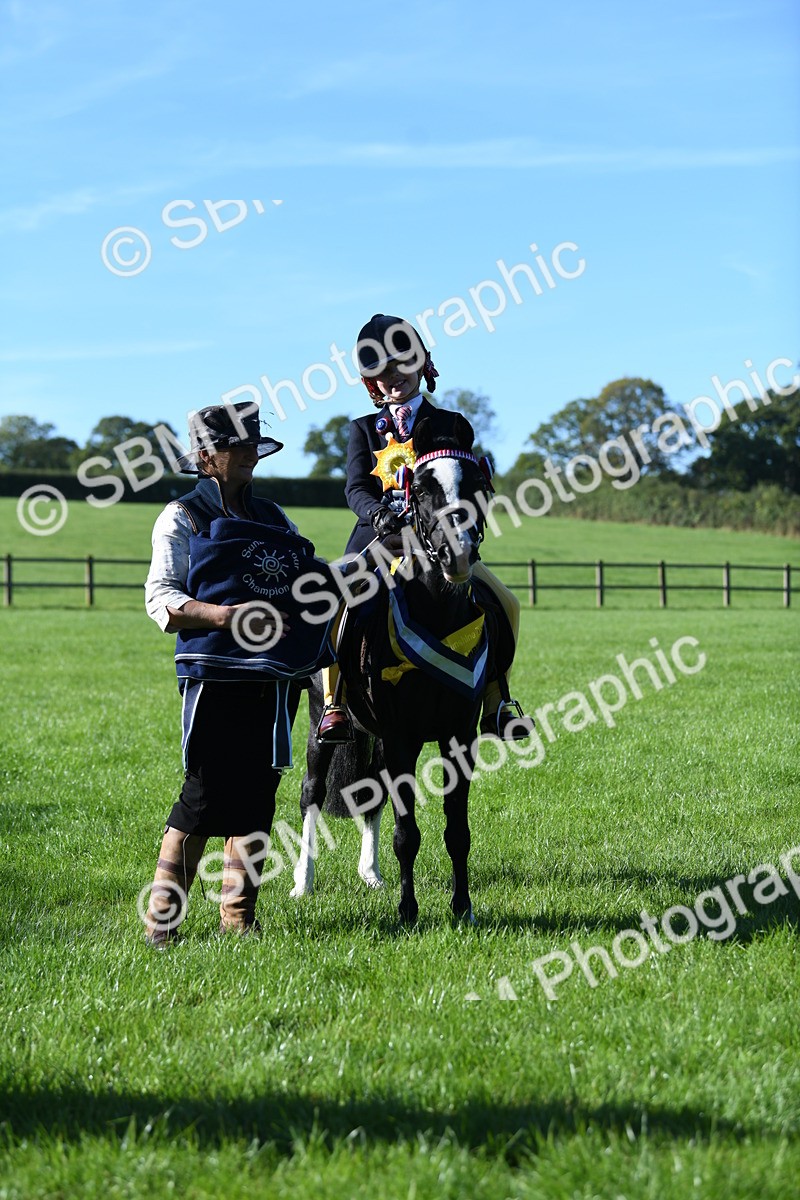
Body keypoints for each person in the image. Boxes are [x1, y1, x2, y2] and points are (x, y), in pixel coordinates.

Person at [143, 401, 320, 945]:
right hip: (214, 673)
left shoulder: (275, 518)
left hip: (274, 678)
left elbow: (303, 580)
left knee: (259, 793)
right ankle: (162, 924)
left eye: (251, 446)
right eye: (233, 447)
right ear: (205, 458)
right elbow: (161, 597)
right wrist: (225, 616)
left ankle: (238, 920)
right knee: (202, 794)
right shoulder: (182, 516)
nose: (247, 455)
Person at [317, 313, 533, 743]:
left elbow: (466, 481)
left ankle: (498, 703)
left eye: (401, 363)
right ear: (372, 382)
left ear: (421, 364)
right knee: (336, 602)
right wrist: (378, 515)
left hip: (440, 540)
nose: (393, 376)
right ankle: (333, 704)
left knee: (507, 603)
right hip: (379, 538)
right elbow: (356, 487)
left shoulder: (450, 424)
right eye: (382, 371)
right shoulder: (362, 430)